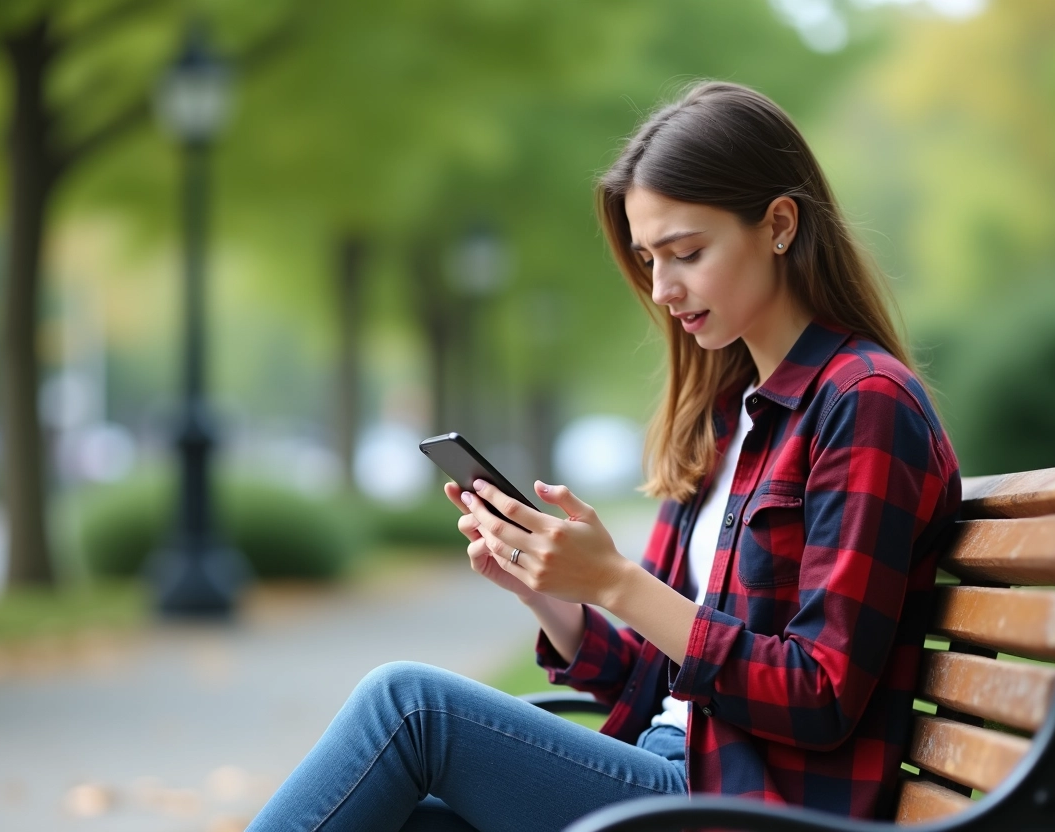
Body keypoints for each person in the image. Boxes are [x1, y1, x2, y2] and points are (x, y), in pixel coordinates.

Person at [246, 81, 961, 832]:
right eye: (650, 259)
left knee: (410, 705)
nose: (662, 289)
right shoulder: (731, 417)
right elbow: (661, 680)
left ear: (779, 224)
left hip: (747, 809)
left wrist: (617, 583)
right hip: (679, 773)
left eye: (686, 253)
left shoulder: (863, 403)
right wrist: (555, 599)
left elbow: (821, 696)